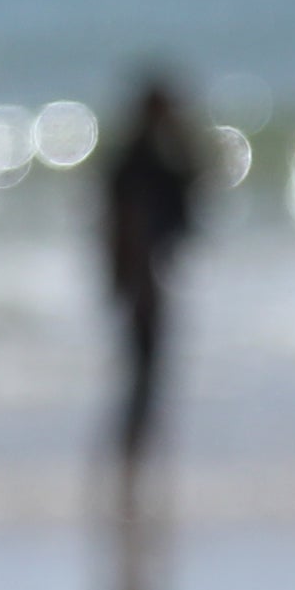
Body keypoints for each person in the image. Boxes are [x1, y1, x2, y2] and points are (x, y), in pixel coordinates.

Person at [100, 68, 204, 487]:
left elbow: (199, 183)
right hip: (144, 279)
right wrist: (138, 282)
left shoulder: (156, 156)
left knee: (146, 377)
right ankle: (130, 472)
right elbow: (126, 226)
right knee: (143, 377)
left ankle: (135, 471)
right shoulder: (137, 161)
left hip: (148, 276)